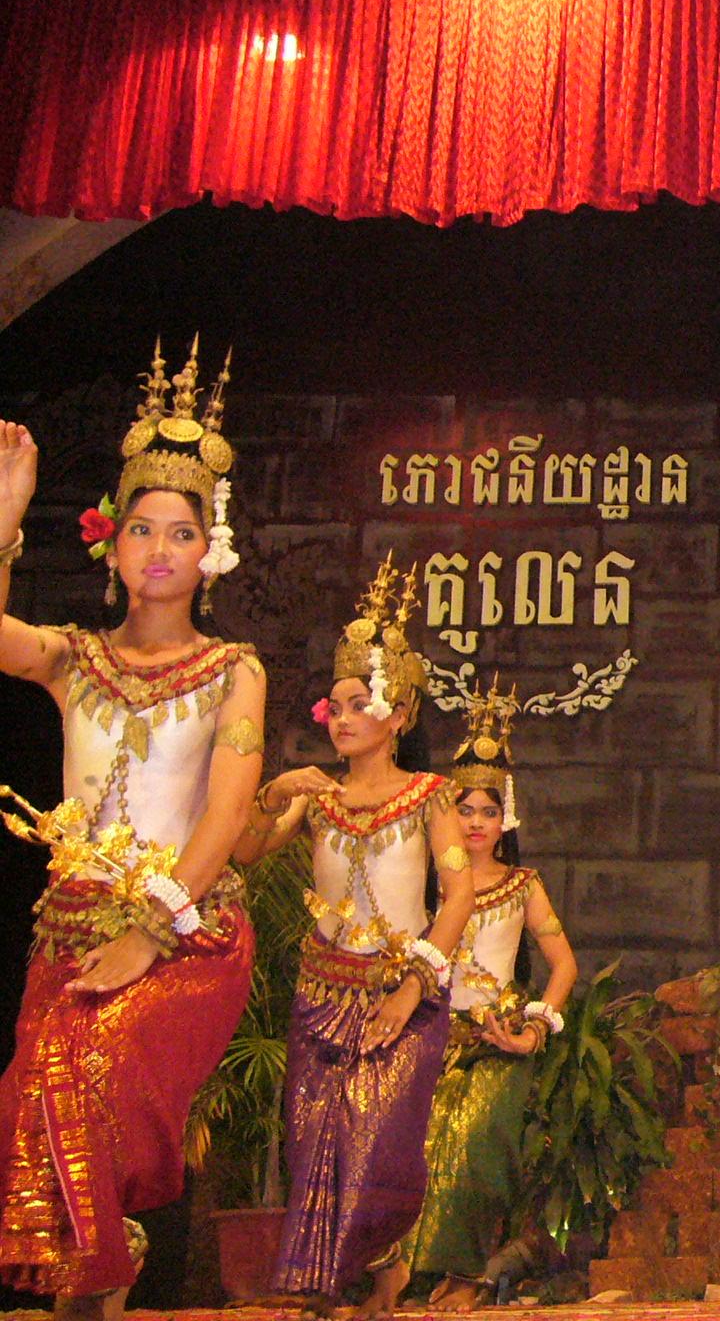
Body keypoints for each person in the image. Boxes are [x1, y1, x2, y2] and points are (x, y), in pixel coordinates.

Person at [0, 342, 263, 1321]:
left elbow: (226, 815)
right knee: (36, 1092)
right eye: (141, 528)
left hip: (188, 932)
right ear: (110, 546)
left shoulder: (234, 670)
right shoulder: (72, 659)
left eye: (181, 532)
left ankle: (103, 1261)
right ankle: (102, 1268)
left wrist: (150, 933)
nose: (159, 547)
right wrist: (7, 512)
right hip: (72, 925)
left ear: (209, 552)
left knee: (91, 1069)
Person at [237, 555, 475, 1317]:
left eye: (358, 703)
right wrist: (273, 790)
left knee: (378, 1140)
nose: (340, 718)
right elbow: (244, 850)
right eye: (333, 706)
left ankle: (378, 1263)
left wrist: (413, 987)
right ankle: (333, 1280)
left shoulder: (431, 797)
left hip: (401, 991)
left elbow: (459, 892)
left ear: (399, 715)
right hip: (322, 989)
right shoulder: (315, 799)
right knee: (316, 1142)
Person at [402, 680, 577, 1309]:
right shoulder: (425, 884)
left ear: (506, 821)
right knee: (418, 1142)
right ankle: (410, 1275)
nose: (475, 823)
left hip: (495, 1039)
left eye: (487, 811)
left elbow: (563, 963)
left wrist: (535, 1028)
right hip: (428, 1032)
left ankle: (470, 1274)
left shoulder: (522, 884)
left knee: (476, 1141)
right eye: (465, 809)